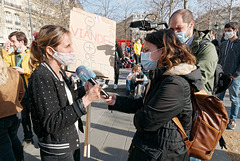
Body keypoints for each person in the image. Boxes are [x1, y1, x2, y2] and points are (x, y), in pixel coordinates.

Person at [103, 29, 203, 161]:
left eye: (146, 50)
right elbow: (143, 103)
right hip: (152, 148)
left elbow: (146, 120)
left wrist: (139, 116)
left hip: (163, 152)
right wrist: (117, 101)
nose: (142, 54)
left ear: (162, 51)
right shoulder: (163, 76)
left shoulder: (175, 83)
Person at [28, 25, 101, 161]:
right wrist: (86, 100)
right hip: (57, 149)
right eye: (67, 46)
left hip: (69, 140)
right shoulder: (41, 76)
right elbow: (52, 122)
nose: (72, 50)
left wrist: (82, 91)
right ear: (50, 50)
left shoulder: (59, 71)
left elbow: (64, 100)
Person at [169, 9, 218, 95]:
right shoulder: (173, 45)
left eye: (179, 28)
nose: (175, 33)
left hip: (197, 100)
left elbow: (199, 80)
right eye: (172, 29)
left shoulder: (207, 48)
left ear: (191, 24)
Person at [4, 31, 34, 147]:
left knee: (37, 117)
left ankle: (42, 139)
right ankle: (28, 138)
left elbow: (39, 71)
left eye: (13, 41)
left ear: (21, 41)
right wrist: (4, 51)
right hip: (19, 94)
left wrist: (25, 71)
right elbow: (4, 66)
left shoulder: (32, 54)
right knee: (24, 117)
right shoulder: (11, 55)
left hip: (32, 92)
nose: (11, 44)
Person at [0, 54, 25, 161]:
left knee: (4, 147)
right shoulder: (14, 73)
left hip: (2, 117)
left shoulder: (13, 72)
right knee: (13, 138)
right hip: (14, 113)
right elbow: (21, 92)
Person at [217, 22, 240, 130]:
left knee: (234, 99)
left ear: (236, 30)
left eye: (229, 31)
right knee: (219, 98)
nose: (227, 33)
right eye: (225, 31)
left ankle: (232, 119)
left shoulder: (239, 44)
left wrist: (237, 73)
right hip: (222, 75)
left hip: (234, 77)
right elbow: (220, 59)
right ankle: (220, 118)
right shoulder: (224, 44)